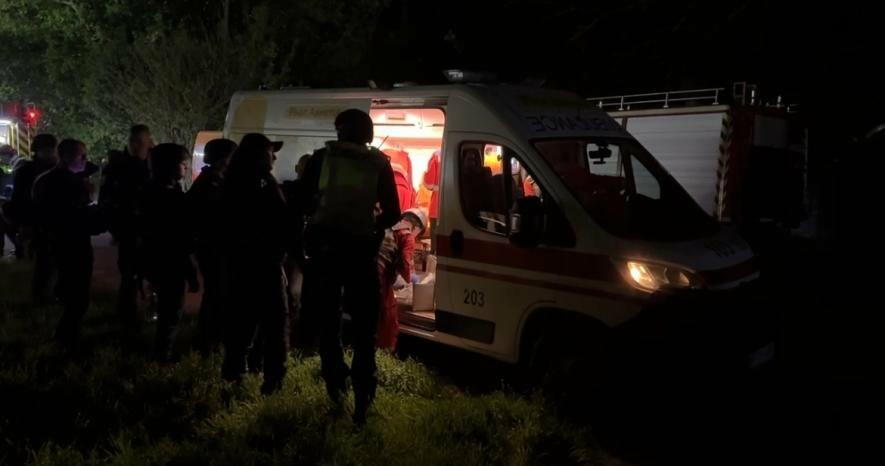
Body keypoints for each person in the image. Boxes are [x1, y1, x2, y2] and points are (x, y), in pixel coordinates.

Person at [301, 108, 400, 425]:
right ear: (368, 133)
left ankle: (335, 386)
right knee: (364, 330)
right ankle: (362, 401)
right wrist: (372, 228)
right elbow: (394, 213)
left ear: (339, 131)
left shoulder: (321, 158)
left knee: (328, 324)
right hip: (360, 253)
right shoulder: (378, 163)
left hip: (325, 252)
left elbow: (301, 201)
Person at [221, 133, 290, 394]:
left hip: (241, 265)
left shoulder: (233, 180)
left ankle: (233, 376)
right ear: (260, 155)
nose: (275, 158)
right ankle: (272, 381)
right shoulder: (261, 183)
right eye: (271, 152)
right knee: (274, 325)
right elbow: (277, 223)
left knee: (241, 324)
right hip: (262, 265)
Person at [32, 139, 101, 349]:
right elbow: (78, 218)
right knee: (77, 296)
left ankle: (65, 335)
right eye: (82, 156)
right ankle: (67, 340)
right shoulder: (68, 184)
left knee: (68, 292)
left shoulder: (46, 180)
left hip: (56, 244)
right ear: (66, 157)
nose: (85, 160)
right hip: (72, 245)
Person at [139, 143, 199, 362]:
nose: (186, 168)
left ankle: (162, 350)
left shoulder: (151, 190)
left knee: (166, 307)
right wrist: (190, 272)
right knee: (172, 310)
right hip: (169, 262)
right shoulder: (169, 196)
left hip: (156, 260)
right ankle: (162, 355)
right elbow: (178, 239)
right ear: (169, 166)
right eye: (183, 164)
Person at [99, 125, 153, 334]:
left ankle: (148, 309)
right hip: (129, 231)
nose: (137, 145)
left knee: (152, 274)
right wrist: (116, 230)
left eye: (141, 141)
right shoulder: (117, 167)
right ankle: (128, 317)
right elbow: (107, 200)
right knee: (129, 276)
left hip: (150, 231)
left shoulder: (153, 163)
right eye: (134, 141)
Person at [188, 138, 237, 353]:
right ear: (225, 158)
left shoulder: (210, 178)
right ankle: (208, 341)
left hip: (210, 246)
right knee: (216, 292)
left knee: (216, 292)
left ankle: (210, 338)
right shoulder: (213, 181)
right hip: (213, 246)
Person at [376, 208, 426, 350]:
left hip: (366, 272)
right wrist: (411, 279)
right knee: (388, 317)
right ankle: (383, 351)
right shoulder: (407, 235)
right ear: (416, 227)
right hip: (379, 277)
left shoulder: (389, 227)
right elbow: (405, 263)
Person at [421, 150, 441, 250]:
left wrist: (423, 175)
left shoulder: (436, 157)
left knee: (434, 231)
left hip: (437, 203)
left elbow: (429, 183)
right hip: (453, 203)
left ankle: (434, 253)